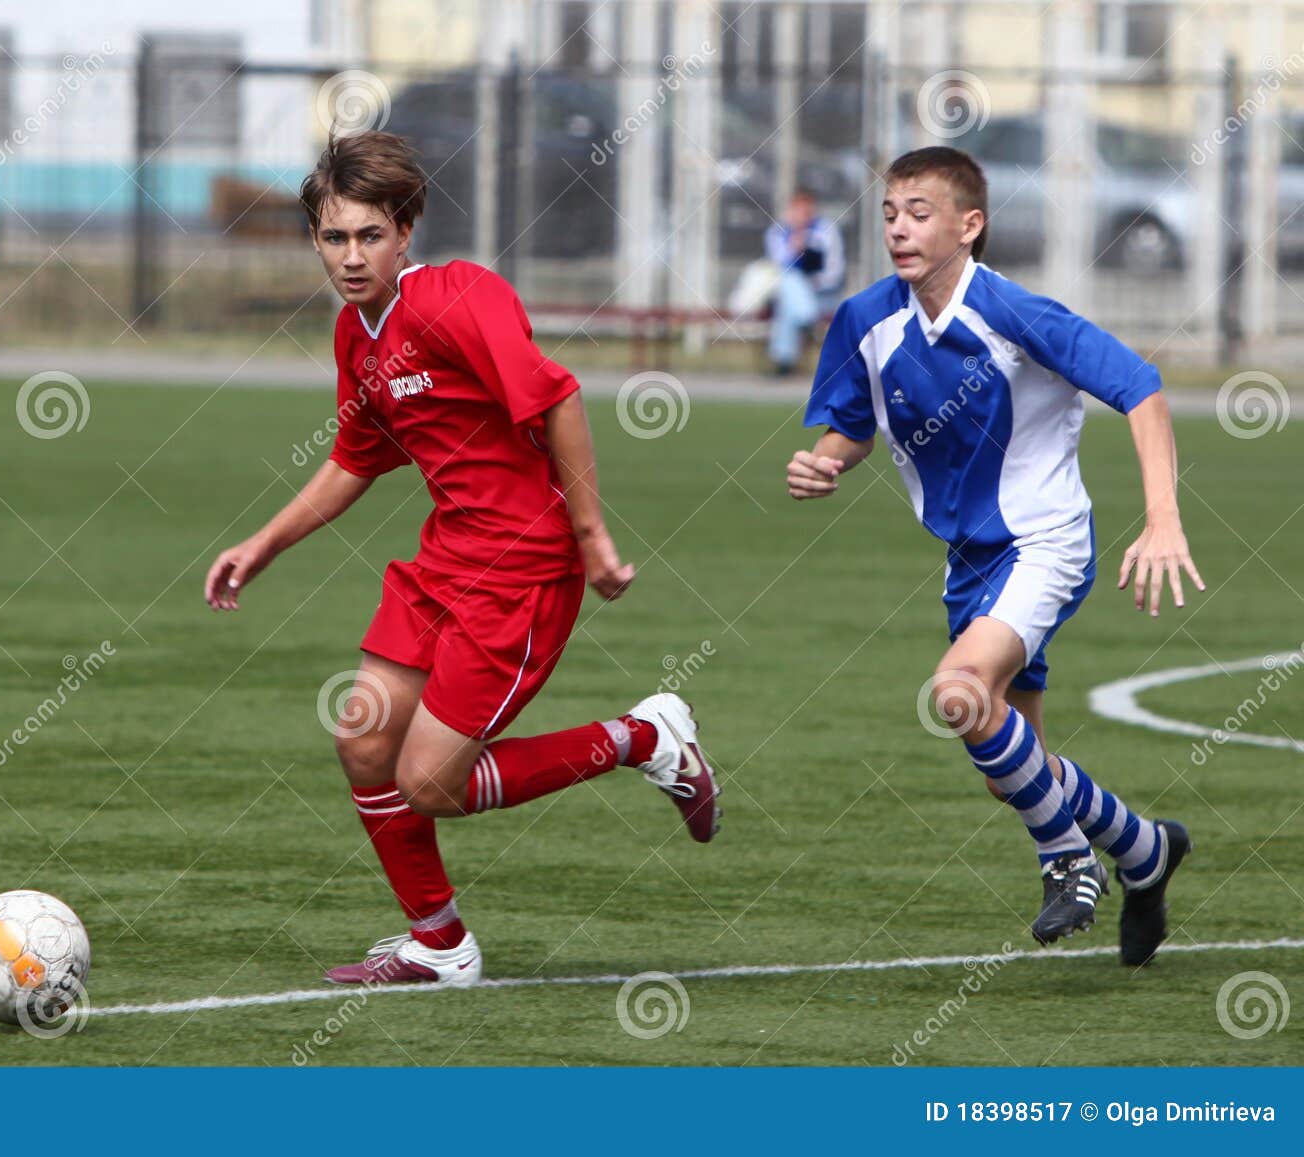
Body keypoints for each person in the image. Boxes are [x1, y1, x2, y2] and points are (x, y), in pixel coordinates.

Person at [204, 132, 720, 988]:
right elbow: (356, 458)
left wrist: (591, 537)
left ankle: (643, 737)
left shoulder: (456, 298)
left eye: (371, 234)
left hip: (522, 570)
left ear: (406, 231)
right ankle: (439, 943)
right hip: (446, 560)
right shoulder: (354, 336)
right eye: (334, 238)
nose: (351, 256)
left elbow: (558, 397)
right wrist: (263, 544)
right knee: (364, 737)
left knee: (431, 781)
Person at [785, 146, 1201, 963]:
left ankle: (1069, 861)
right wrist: (828, 458)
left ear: (969, 226)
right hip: (972, 559)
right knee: (1009, 761)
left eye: (921, 212)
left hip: (1046, 542)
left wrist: (1163, 520)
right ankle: (1147, 851)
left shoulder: (1015, 313)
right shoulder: (866, 318)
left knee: (958, 690)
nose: (900, 229)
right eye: (891, 213)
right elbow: (856, 424)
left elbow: (1142, 387)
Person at [765, 188, 846, 376]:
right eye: (797, 210)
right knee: (790, 282)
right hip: (793, 293)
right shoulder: (778, 232)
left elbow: (834, 271)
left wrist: (812, 278)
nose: (802, 215)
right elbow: (778, 265)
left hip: (823, 293)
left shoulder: (826, 230)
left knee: (789, 302)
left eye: (806, 210)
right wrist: (794, 246)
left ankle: (783, 363)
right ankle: (805, 316)